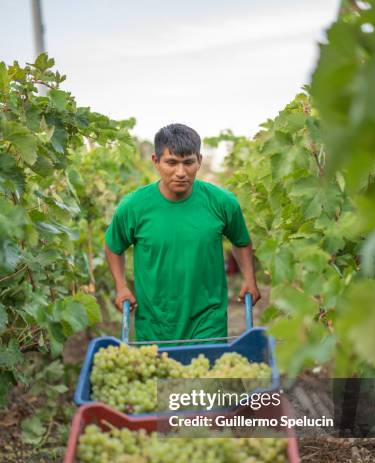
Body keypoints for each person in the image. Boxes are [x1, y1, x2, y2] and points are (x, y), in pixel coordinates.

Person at [104, 123, 260, 343]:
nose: (181, 172)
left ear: (199, 161)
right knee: (161, 377)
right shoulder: (134, 206)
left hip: (208, 319)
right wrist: (121, 287)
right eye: (171, 163)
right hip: (155, 321)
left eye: (188, 163)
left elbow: (241, 241)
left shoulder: (222, 202)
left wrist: (250, 279)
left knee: (206, 374)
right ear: (156, 162)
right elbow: (113, 246)